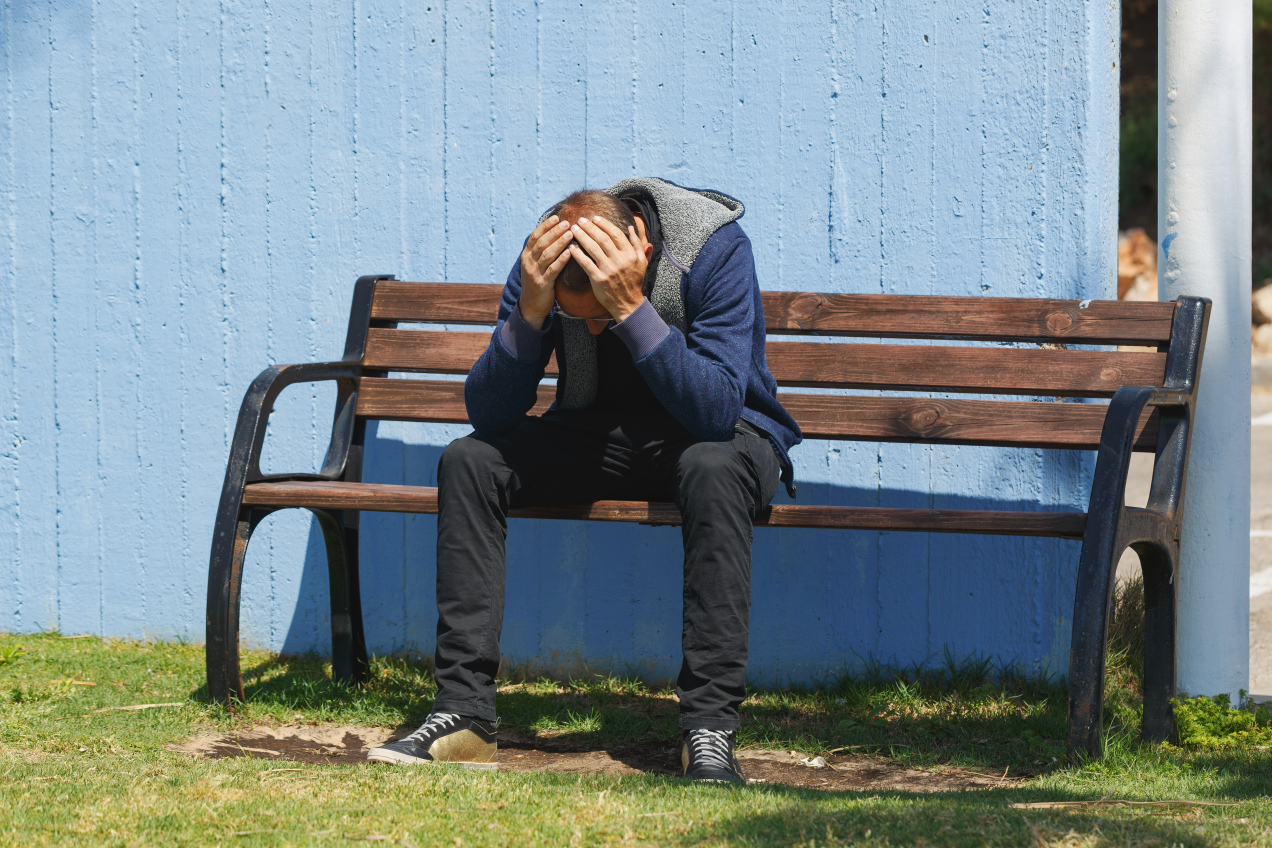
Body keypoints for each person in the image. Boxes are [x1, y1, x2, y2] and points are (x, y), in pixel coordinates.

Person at [367, 178, 801, 782]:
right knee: (471, 460)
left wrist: (630, 310)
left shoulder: (713, 247)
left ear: (641, 250)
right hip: (600, 435)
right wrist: (531, 314)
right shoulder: (547, 256)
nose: (594, 332)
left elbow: (715, 412)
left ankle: (709, 729)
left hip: (723, 440)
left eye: (599, 316)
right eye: (582, 320)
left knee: (711, 466)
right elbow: (489, 415)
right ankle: (463, 714)